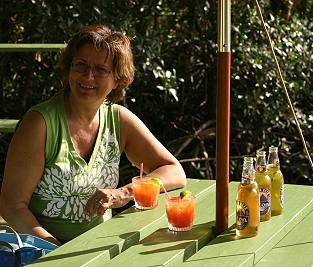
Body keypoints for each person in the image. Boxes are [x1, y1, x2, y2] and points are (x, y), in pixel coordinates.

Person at [0, 24, 186, 246]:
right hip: (41, 250)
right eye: (80, 65)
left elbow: (175, 172)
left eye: (100, 69)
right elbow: (12, 207)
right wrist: (56, 250)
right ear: (69, 68)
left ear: (117, 78)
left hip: (99, 246)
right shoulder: (39, 124)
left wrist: (124, 193)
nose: (88, 76)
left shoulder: (119, 120)